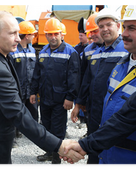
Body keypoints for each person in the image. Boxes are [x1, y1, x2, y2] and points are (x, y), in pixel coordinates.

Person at [0, 11, 78, 165]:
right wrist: (58, 145)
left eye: (18, 33)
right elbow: (18, 114)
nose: (18, 39)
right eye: (12, 34)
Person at [71, 7, 129, 164]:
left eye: (108, 25)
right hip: (95, 110)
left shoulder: (127, 49)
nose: (104, 29)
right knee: (94, 147)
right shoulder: (96, 51)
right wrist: (79, 103)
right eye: (101, 26)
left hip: (116, 112)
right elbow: (87, 79)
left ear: (118, 26)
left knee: (112, 148)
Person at [30, 17, 81, 165]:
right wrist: (33, 92)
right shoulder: (44, 51)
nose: (53, 37)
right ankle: (49, 151)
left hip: (60, 100)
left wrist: (70, 97)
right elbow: (37, 74)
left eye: (56, 34)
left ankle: (56, 159)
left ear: (61, 34)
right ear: (45, 35)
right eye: (50, 34)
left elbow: (74, 77)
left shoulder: (71, 52)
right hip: (45, 97)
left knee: (58, 129)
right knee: (46, 126)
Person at [62, 77, 136, 164]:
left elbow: (128, 117)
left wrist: (85, 145)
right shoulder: (120, 66)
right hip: (106, 149)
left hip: (132, 156)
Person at [72, 12, 104, 138]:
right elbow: (85, 77)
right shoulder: (88, 50)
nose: (91, 35)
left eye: (94, 31)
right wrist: (80, 102)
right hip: (93, 103)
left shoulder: (123, 49)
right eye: (89, 32)